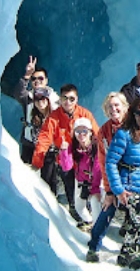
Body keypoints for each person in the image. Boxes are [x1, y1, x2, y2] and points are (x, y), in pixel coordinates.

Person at [105, 97, 140, 269]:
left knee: (137, 221)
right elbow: (110, 162)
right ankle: (133, 253)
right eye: (139, 112)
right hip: (128, 189)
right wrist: (118, 190)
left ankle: (124, 256)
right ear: (133, 114)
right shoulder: (124, 134)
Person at [33, 84, 99, 214]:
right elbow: (44, 138)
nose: (67, 102)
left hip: (84, 158)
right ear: (60, 99)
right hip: (65, 159)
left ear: (77, 99)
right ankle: (74, 209)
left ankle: (90, 211)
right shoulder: (54, 117)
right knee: (70, 185)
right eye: (64, 98)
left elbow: (97, 134)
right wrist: (37, 161)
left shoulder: (85, 114)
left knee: (87, 188)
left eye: (71, 99)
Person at [85, 92, 129, 263]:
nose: (114, 109)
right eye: (110, 106)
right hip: (114, 176)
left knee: (135, 214)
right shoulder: (104, 131)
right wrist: (109, 190)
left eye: (117, 105)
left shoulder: (135, 127)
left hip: (133, 177)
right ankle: (93, 247)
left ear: (125, 107)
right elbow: (103, 162)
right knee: (108, 208)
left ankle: (129, 251)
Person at [58, 118, 102, 231]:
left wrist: (95, 189)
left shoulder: (97, 148)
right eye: (78, 131)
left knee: (95, 204)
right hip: (82, 181)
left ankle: (97, 230)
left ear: (90, 132)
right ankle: (89, 221)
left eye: (84, 131)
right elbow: (66, 167)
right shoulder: (73, 147)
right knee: (79, 206)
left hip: (96, 182)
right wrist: (63, 151)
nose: (81, 134)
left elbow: (98, 170)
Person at [15, 56, 59, 163]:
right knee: (26, 176)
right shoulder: (28, 98)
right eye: (34, 79)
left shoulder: (55, 100)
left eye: (40, 78)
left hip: (49, 147)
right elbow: (18, 93)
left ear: (46, 80)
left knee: (48, 179)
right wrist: (27, 75)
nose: (37, 81)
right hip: (29, 145)